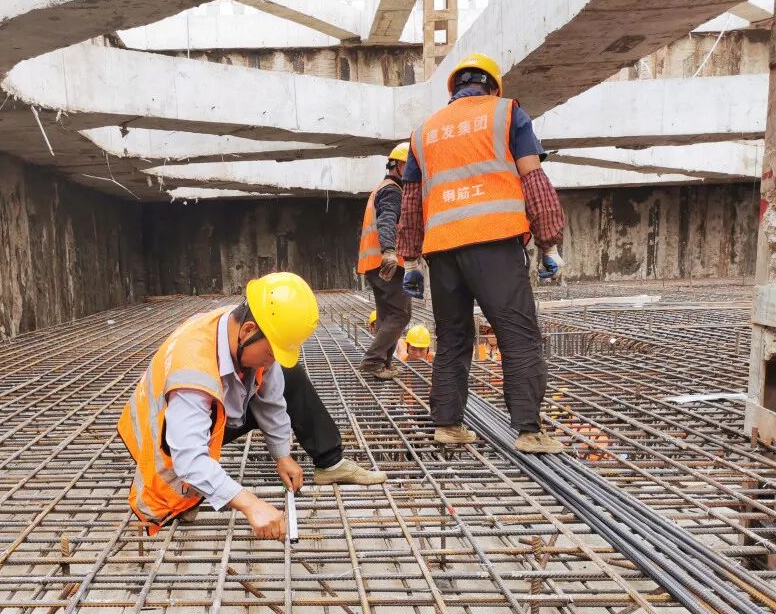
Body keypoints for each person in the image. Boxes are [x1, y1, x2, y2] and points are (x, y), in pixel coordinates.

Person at [118, 272, 387, 540]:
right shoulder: (193, 368)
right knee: (187, 480)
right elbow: (188, 456)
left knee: (289, 374)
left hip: (210, 410)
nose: (271, 361)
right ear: (248, 331)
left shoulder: (242, 326)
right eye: (270, 353)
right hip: (162, 435)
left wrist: (282, 456)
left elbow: (271, 398)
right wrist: (250, 504)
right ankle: (185, 495)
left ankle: (330, 462)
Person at [395, 53, 566, 454]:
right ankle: (528, 431)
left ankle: (448, 424)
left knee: (453, 338)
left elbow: (411, 203)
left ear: (454, 88)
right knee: (518, 336)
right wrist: (549, 243)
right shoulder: (506, 114)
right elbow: (534, 181)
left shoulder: (423, 132)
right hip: (495, 243)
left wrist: (411, 261)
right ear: (492, 86)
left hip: (442, 252)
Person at [357, 144, 413, 381]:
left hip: (374, 264)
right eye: (410, 166)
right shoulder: (392, 190)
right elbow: (387, 219)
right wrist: (389, 251)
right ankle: (373, 361)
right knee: (401, 314)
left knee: (387, 315)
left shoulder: (382, 188)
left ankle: (383, 363)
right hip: (387, 264)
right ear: (398, 165)